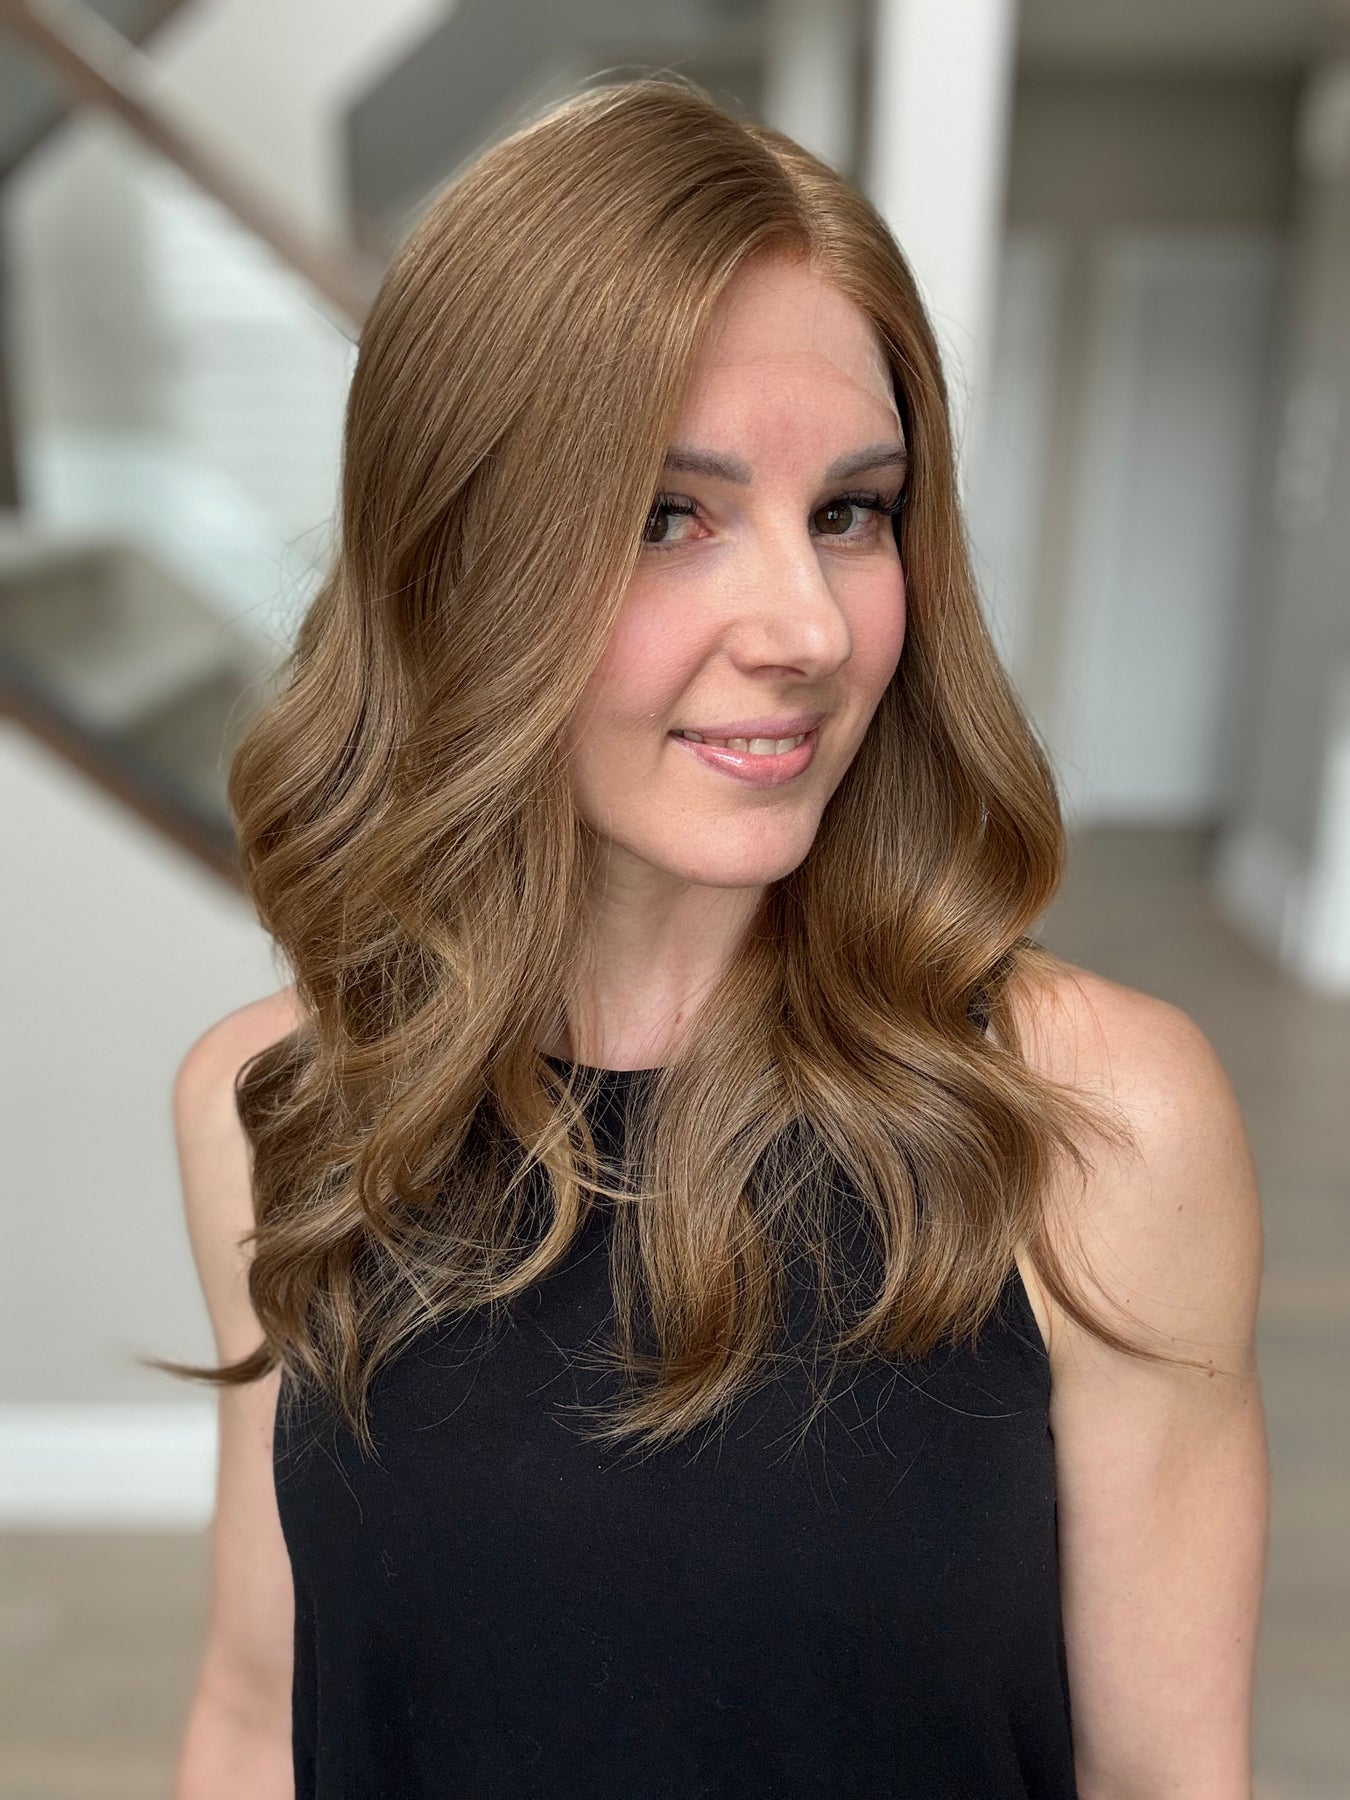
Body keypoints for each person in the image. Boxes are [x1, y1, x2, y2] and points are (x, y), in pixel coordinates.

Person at [166, 75, 1267, 1800]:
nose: (806, 628)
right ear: (455, 562)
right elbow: (255, 1710)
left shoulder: (1094, 1121)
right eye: (668, 516)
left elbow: (1165, 1780)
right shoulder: (280, 1104)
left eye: (850, 511)